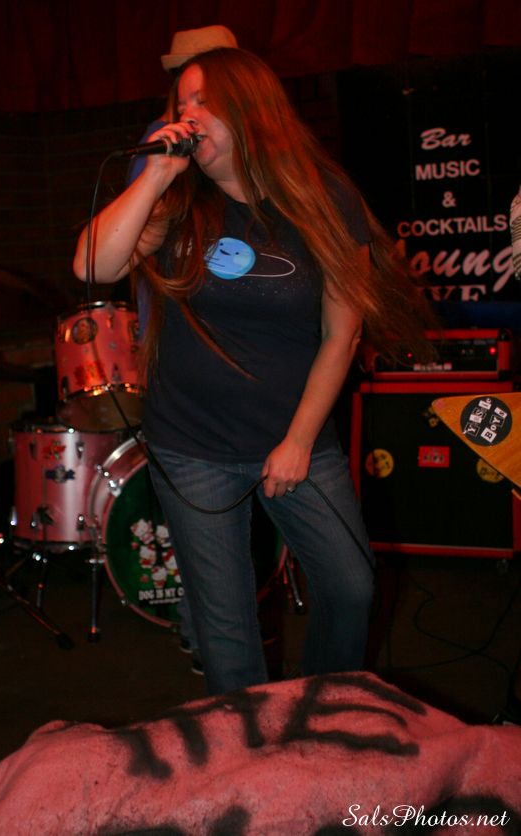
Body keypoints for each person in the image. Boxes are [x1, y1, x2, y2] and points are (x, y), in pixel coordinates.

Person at [74, 47, 435, 696]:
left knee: (350, 585)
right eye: (181, 102)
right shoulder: (178, 202)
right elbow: (91, 266)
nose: (188, 114)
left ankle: (325, 712)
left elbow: (342, 333)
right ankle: (248, 745)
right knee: (226, 626)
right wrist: (155, 176)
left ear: (250, 110)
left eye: (203, 100)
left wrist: (298, 442)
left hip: (295, 437)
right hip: (192, 445)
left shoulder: (323, 199)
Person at [127, 26, 239, 674]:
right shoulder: (165, 140)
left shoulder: (247, 142)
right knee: (203, 522)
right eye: (188, 84)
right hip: (180, 346)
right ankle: (205, 638)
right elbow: (130, 241)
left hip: (235, 354)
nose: (196, 95)